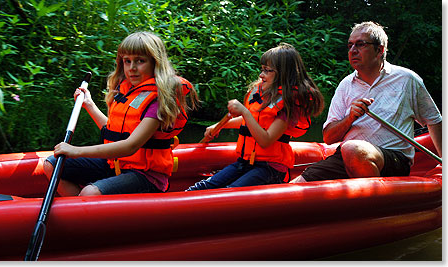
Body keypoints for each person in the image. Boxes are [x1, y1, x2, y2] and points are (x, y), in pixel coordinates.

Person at [43, 32, 199, 196]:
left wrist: (77, 150)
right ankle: (82, 215)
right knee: (52, 164)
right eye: (127, 61)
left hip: (146, 175)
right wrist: (89, 105)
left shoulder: (157, 102)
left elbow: (130, 146)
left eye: (140, 61)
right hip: (117, 164)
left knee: (90, 193)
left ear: (155, 63)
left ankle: (85, 213)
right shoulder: (128, 93)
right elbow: (112, 131)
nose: (132, 68)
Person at [291, 21, 442, 183]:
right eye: (349, 45)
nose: (352, 50)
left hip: (393, 158)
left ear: (380, 50)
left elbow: (434, 121)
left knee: (353, 149)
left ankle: (375, 204)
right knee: (294, 188)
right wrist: (350, 118)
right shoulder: (345, 85)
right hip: (346, 156)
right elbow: (328, 137)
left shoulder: (407, 80)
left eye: (360, 44)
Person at [186, 43, 324, 190]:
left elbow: (266, 140)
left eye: (267, 70)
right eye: (262, 69)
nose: (261, 75)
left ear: (283, 74)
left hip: (270, 168)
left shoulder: (288, 104)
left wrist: (244, 111)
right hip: (246, 161)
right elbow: (256, 121)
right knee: (203, 187)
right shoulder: (265, 94)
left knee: (229, 193)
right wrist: (220, 125)